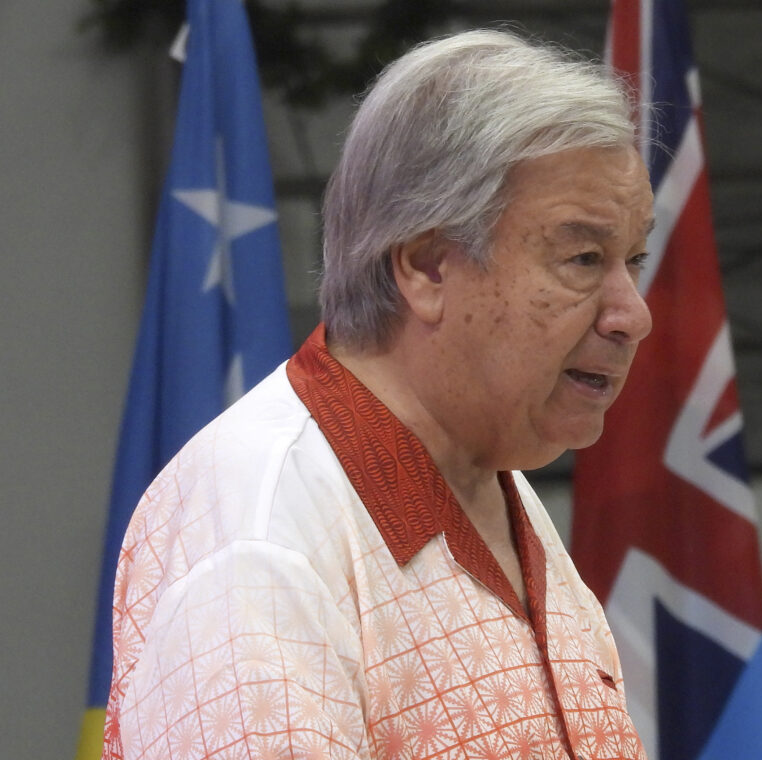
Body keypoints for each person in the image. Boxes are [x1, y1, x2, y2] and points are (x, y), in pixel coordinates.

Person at [103, 28, 654, 760]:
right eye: (583, 258)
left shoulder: (489, 472)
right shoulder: (260, 545)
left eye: (634, 259)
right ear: (427, 267)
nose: (633, 315)